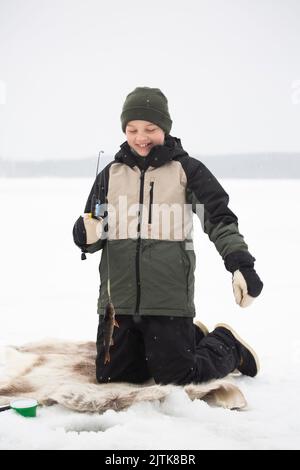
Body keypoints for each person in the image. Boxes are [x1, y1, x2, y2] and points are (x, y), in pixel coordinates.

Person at [73, 86, 263, 386]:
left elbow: (219, 219)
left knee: (177, 378)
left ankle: (226, 344)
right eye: (132, 129)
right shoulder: (110, 174)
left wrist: (240, 263)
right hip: (117, 304)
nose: (141, 137)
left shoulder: (187, 170)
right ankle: (191, 338)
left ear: (165, 128)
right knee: (114, 378)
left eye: (150, 128)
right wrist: (86, 234)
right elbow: (90, 233)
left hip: (168, 300)